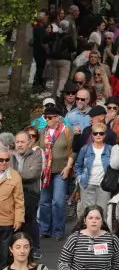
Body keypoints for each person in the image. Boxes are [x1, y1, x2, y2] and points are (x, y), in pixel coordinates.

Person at [38, 105, 74, 241]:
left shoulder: (66, 131)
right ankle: (44, 229)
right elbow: (37, 149)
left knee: (58, 201)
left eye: (50, 117)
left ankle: (58, 230)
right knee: (44, 202)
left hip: (61, 170)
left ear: (58, 118)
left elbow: (73, 150)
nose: (47, 120)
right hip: (45, 171)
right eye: (45, 117)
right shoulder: (42, 132)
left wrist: (68, 167)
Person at [11, 131, 42, 259]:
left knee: (29, 222)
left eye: (22, 142)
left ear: (29, 143)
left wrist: (12, 174)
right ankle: (14, 249)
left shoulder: (36, 156)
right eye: (17, 142)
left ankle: (33, 248)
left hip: (30, 193)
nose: (19, 145)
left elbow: (32, 174)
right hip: (13, 193)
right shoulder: (10, 156)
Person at [74, 122, 113, 214]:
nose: (98, 135)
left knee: (102, 212)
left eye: (101, 133)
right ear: (92, 135)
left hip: (104, 186)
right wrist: (79, 178)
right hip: (87, 184)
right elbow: (78, 166)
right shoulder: (85, 149)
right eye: (95, 133)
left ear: (105, 135)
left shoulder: (110, 149)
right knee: (88, 214)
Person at [0, 145, 24, 269]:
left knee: (4, 255)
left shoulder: (15, 176)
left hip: (6, 222)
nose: (4, 162)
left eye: (7, 160)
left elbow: (19, 200)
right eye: (1, 160)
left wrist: (19, 219)